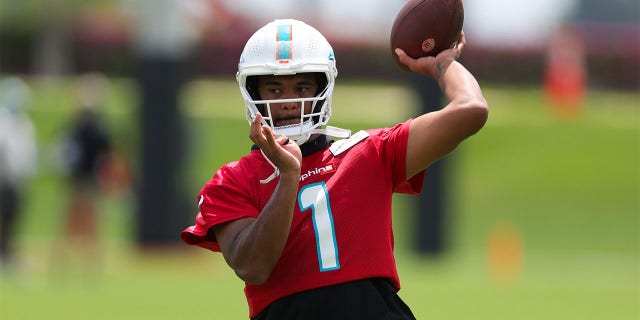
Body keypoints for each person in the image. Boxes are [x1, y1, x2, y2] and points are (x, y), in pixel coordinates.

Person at [181, 19, 488, 319]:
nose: (290, 102)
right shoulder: (231, 180)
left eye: (302, 87)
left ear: (323, 87)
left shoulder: (370, 151)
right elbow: (252, 267)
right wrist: (289, 176)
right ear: (255, 94)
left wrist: (443, 64)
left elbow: (470, 110)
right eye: (275, 90)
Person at [0, 77, 37, 272]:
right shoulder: (3, 120)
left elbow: (27, 153)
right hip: (3, 179)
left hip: (18, 180)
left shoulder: (24, 122)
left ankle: (8, 255)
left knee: (13, 219)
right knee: (4, 218)